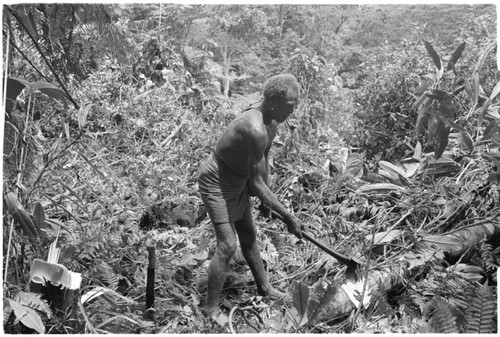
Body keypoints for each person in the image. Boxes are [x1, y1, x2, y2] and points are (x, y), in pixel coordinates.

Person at [198, 73, 303, 320]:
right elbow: (255, 184)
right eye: (290, 105)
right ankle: (211, 309)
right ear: (273, 101)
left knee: (249, 235)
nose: (293, 111)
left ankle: (265, 288)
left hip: (238, 179)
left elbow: (263, 162)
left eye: (296, 104)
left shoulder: (272, 123)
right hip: (217, 180)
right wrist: (287, 216)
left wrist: (267, 203)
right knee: (228, 245)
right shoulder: (255, 127)